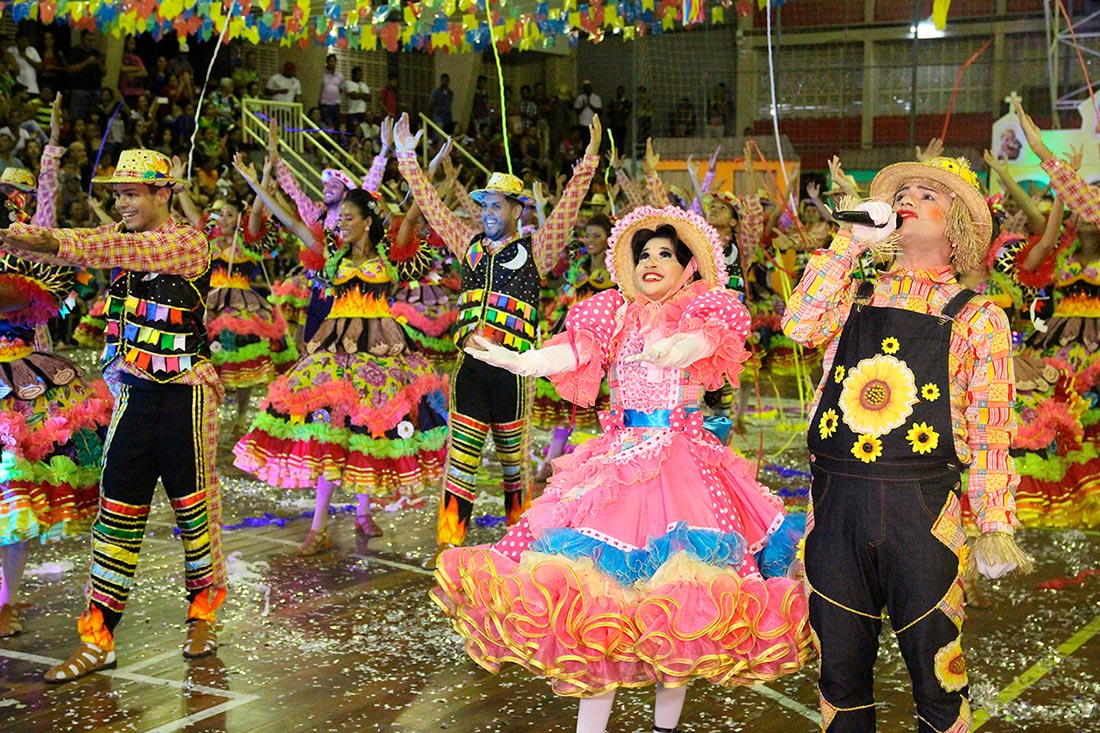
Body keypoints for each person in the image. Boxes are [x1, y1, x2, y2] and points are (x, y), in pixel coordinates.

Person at [433, 205, 811, 733]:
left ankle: (664, 729)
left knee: (680, 607)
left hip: (682, 469)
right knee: (595, 603)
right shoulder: (611, 313)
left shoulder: (706, 310)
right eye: (643, 255)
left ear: (689, 268)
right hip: (615, 464)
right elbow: (569, 355)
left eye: (664, 254)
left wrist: (680, 347)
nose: (651, 262)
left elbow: (707, 342)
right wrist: (518, 361)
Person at [781, 155, 1033, 732]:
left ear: (957, 227)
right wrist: (850, 243)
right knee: (838, 676)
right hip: (836, 504)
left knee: (938, 678)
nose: (909, 199)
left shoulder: (979, 318)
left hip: (922, 513)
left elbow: (993, 428)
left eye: (928, 194)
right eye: (905, 192)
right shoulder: (852, 295)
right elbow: (797, 325)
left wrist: (994, 524)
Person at [0, 148, 227, 682]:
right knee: (116, 517)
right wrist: (30, 240)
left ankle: (203, 614)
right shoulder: (127, 242)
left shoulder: (185, 242)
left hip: (185, 397)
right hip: (133, 398)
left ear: (162, 194)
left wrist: (54, 239)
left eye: (131, 194)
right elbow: (72, 257)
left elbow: (98, 246)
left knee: (195, 514)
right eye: (118, 194)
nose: (121, 202)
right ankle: (97, 637)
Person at [393, 112, 601, 567]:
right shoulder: (467, 246)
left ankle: (519, 543)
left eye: (497, 206)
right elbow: (431, 207)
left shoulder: (536, 250)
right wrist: (408, 157)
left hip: (513, 371)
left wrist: (586, 163)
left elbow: (567, 208)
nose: (488, 213)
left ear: (516, 211)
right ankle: (450, 543)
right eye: (484, 205)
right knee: (461, 461)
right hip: (470, 369)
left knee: (514, 464)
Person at [231, 158, 449, 554]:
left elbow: (417, 205)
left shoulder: (391, 252)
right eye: (340, 218)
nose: (340, 222)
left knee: (370, 432)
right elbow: (294, 221)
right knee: (331, 434)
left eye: (348, 216)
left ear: (368, 221)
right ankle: (319, 528)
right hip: (335, 351)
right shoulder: (332, 256)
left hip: (383, 352)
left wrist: (420, 163)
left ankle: (362, 514)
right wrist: (256, 184)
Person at [64, 30, 105, 122]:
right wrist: (86, 62)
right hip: (79, 89)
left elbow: (104, 72)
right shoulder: (75, 51)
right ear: (82, 39)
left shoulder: (96, 53)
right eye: (88, 40)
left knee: (92, 116)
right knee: (77, 116)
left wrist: (99, 63)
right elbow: (69, 69)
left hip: (94, 89)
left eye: (92, 40)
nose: (90, 43)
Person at [318, 54, 345, 133]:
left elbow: (341, 88)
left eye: (333, 61)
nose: (331, 63)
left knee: (336, 125)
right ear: (327, 62)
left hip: (336, 104)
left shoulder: (339, 75)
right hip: (325, 104)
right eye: (330, 61)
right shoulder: (322, 74)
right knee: (328, 124)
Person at [345, 66, 370, 137]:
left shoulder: (364, 85)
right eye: (358, 74)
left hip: (362, 112)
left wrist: (358, 94)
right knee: (353, 133)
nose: (359, 76)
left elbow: (369, 98)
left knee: (362, 133)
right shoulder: (348, 83)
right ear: (353, 74)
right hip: (352, 112)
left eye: (361, 74)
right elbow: (353, 96)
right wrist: (363, 95)